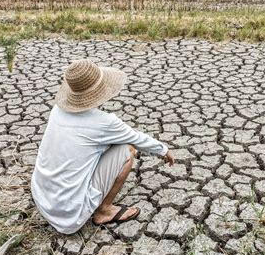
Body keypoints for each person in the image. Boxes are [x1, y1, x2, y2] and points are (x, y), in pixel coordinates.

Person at [31, 59, 174, 234]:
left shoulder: (57, 110)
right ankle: (104, 210)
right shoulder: (104, 122)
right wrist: (163, 150)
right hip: (69, 216)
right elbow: (136, 139)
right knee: (127, 149)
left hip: (43, 199)